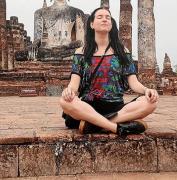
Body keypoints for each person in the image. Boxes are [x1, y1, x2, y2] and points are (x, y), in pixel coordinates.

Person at [59, 7, 159, 136]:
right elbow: (74, 84)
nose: (104, 19)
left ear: (111, 24)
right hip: (88, 106)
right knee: (63, 101)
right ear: (92, 24)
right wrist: (69, 91)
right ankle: (115, 127)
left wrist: (147, 90)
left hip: (116, 106)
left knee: (150, 102)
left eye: (108, 17)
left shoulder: (122, 52)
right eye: (99, 17)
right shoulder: (81, 52)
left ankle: (94, 124)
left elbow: (134, 83)